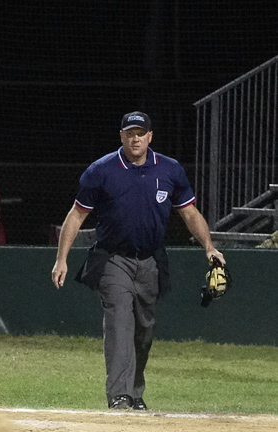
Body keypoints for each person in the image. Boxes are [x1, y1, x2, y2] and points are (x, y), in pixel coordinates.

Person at [51, 111, 225, 410]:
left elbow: (190, 213)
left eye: (140, 133)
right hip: (112, 259)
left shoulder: (169, 170)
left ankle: (134, 392)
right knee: (120, 322)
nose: (135, 138)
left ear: (150, 137)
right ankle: (119, 395)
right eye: (129, 133)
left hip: (151, 261)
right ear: (121, 136)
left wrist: (209, 247)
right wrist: (61, 259)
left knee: (144, 330)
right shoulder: (101, 170)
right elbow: (77, 214)